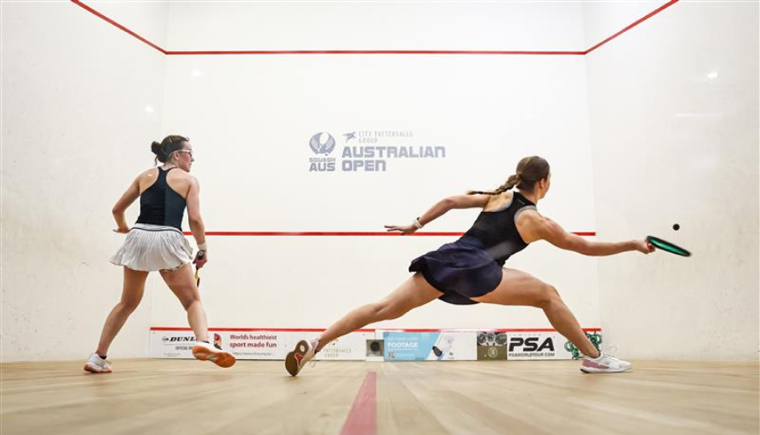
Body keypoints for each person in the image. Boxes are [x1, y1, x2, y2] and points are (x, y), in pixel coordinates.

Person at [285, 156, 654, 376]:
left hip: (446, 258)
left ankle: (317, 342)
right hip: (479, 270)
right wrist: (632, 244)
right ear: (543, 183)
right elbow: (585, 247)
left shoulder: (497, 196)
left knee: (383, 308)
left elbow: (448, 200)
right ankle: (594, 359)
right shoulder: (536, 220)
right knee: (548, 295)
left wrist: (417, 223)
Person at [84, 135, 235, 373]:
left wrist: (123, 227)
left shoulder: (144, 176)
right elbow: (195, 219)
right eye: (189, 153)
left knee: (127, 303)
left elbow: (117, 209)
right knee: (192, 301)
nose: (192, 158)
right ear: (176, 155)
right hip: (168, 239)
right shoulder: (189, 180)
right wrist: (202, 248)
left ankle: (97, 357)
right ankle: (204, 342)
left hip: (139, 236)